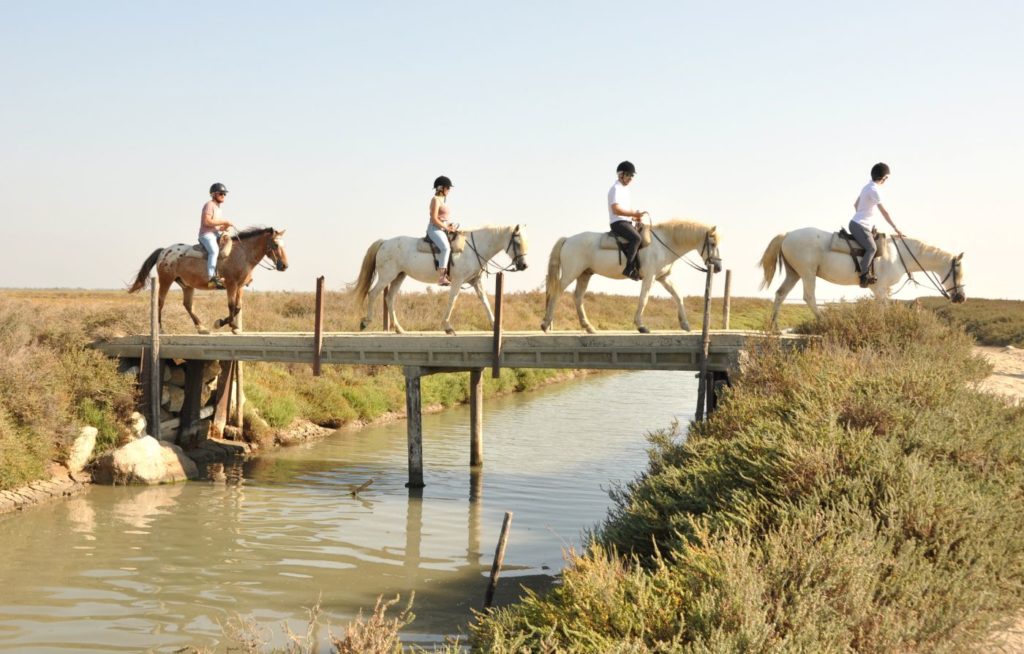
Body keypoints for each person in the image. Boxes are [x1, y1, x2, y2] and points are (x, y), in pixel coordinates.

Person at [849, 162, 903, 287]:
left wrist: (862, 215)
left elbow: (855, 205)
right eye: (886, 178)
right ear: (884, 178)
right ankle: (864, 275)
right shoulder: (875, 190)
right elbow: (884, 212)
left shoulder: (867, 187)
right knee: (872, 248)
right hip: (860, 225)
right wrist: (896, 228)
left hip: (858, 223)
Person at [608, 161, 647, 280]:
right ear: (621, 175)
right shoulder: (615, 189)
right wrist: (633, 213)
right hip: (618, 223)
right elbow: (616, 210)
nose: (631, 178)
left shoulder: (625, 190)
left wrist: (635, 217)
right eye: (629, 175)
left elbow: (627, 210)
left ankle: (638, 267)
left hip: (626, 221)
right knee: (636, 238)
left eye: (632, 176)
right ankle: (629, 268)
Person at [199, 183, 235, 289]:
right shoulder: (209, 205)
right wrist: (224, 221)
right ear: (214, 194)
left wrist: (224, 227)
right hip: (206, 235)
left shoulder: (219, 208)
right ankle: (212, 279)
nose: (223, 195)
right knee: (214, 251)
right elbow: (207, 222)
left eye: (225, 194)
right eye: (221, 193)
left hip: (215, 233)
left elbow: (216, 226)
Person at [427, 175, 455, 286]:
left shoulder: (443, 201)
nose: (449, 190)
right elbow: (434, 219)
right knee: (445, 248)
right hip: (435, 229)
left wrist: (449, 226)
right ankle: (442, 277)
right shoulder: (435, 200)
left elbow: (443, 219)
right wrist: (446, 227)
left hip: (443, 229)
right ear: (440, 188)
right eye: (448, 188)